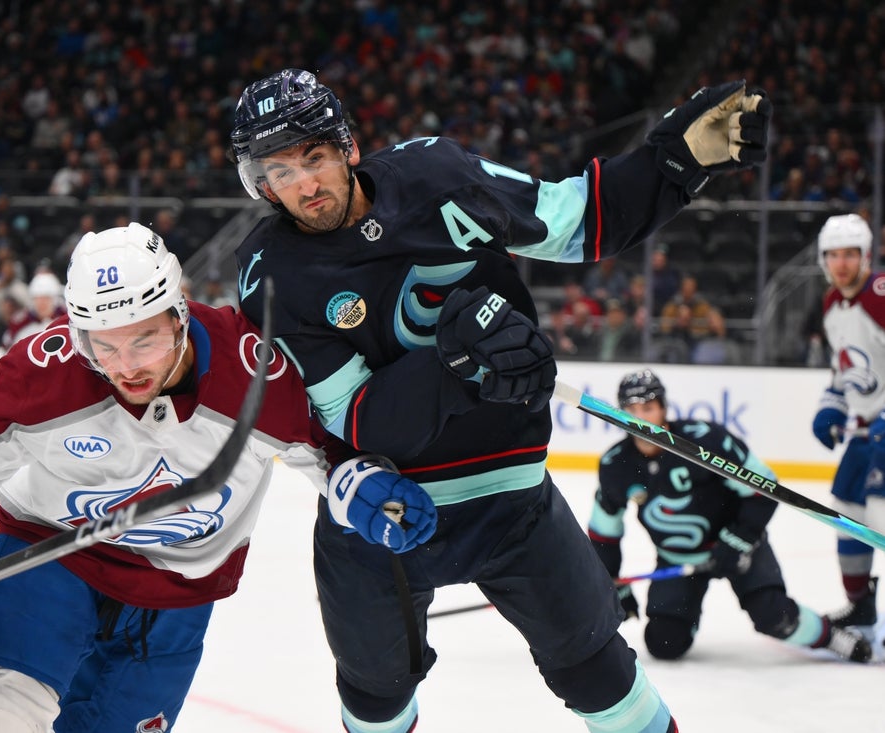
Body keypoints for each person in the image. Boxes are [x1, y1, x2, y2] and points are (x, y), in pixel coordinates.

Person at [229, 67, 771, 733]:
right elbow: (362, 420)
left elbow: (578, 219)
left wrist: (675, 161)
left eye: (313, 158)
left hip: (511, 497)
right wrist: (458, 365)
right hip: (379, 510)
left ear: (347, 146)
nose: (304, 186)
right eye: (279, 172)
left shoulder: (440, 175)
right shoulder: (269, 275)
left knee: (599, 672)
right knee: (376, 698)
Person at [0, 221, 437, 732]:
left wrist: (361, 485)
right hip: (50, 554)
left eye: (144, 340)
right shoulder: (45, 371)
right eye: (104, 346)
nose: (126, 367)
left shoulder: (253, 373)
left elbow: (326, 449)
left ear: (179, 315)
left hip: (177, 590)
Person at [589, 369, 872, 664]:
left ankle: (831, 636)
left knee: (774, 616)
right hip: (679, 559)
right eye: (631, 410)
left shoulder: (703, 441)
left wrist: (740, 538)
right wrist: (613, 583)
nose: (640, 418)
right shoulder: (615, 464)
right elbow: (603, 534)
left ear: (663, 407)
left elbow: (764, 487)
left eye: (647, 408)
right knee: (664, 642)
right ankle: (685, 613)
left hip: (739, 543)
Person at [810, 212, 885, 636]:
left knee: (881, 513)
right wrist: (832, 407)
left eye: (850, 254)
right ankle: (860, 607)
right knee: (848, 510)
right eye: (834, 255)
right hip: (869, 428)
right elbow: (845, 372)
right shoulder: (832, 304)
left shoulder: (879, 295)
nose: (841, 264)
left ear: (866, 256)